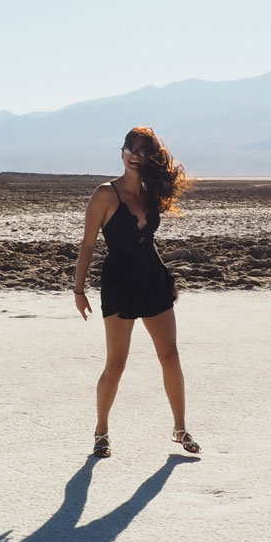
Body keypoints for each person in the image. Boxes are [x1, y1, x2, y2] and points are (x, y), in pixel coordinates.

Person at [72, 127, 200, 458]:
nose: (134, 154)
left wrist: (167, 275)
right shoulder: (104, 194)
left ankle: (180, 428)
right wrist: (78, 289)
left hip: (153, 280)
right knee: (116, 363)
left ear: (149, 158)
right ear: (121, 151)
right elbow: (88, 244)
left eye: (142, 150)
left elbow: (148, 244)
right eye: (130, 147)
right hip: (119, 284)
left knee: (170, 356)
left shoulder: (149, 194)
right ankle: (101, 431)